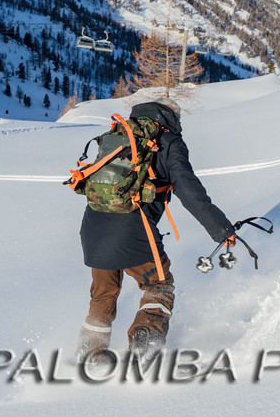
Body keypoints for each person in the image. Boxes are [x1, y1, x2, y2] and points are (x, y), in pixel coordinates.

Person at [77, 99, 235, 359]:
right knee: (158, 287)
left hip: (94, 226)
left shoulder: (118, 135)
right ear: (171, 117)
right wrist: (221, 229)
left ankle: (90, 352)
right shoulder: (169, 142)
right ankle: (145, 347)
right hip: (134, 229)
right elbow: (189, 190)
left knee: (103, 293)